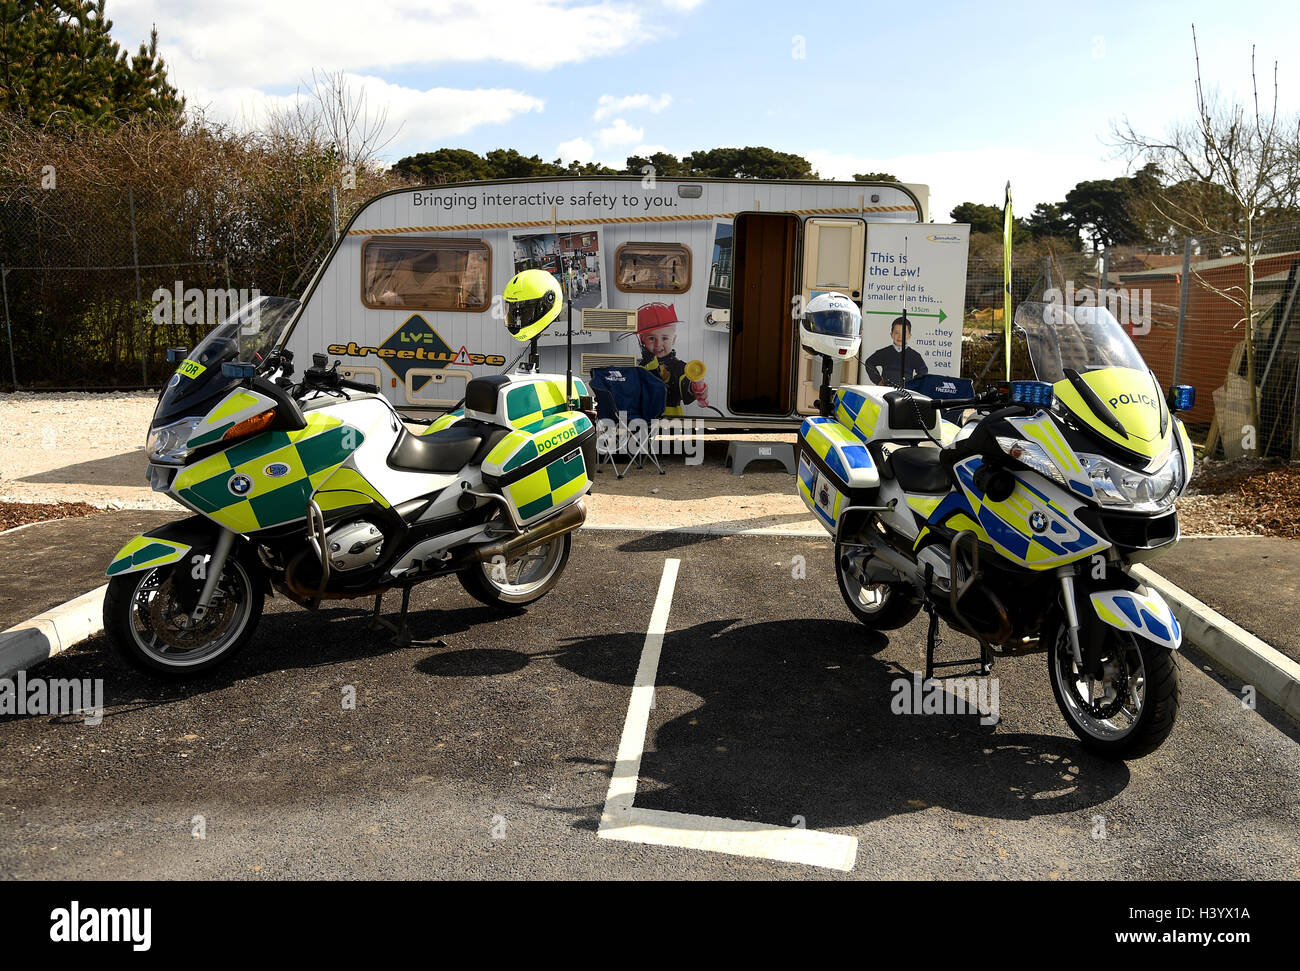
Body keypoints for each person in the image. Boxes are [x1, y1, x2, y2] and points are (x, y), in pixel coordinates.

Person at [623, 302, 708, 416]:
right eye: (652, 338)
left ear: (673, 339)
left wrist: (697, 388)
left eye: (665, 338)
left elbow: (689, 389)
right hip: (643, 419)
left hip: (673, 422)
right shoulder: (637, 368)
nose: (658, 344)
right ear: (642, 341)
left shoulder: (681, 368)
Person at [864, 316, 928, 386]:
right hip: (885, 391)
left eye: (904, 333)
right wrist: (878, 381)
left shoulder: (914, 355)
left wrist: (913, 385)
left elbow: (923, 371)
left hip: (905, 393)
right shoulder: (884, 353)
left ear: (909, 335)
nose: (900, 336)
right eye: (897, 332)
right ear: (891, 334)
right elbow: (869, 363)